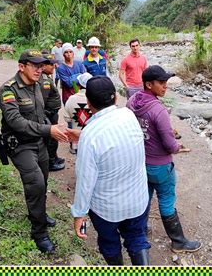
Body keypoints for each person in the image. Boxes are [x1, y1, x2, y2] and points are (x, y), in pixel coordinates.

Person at [69, 76, 151, 265]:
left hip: (107, 209)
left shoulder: (90, 135)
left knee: (109, 243)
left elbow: (85, 181)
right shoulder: (129, 116)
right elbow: (115, 140)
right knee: (137, 239)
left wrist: (79, 214)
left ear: (88, 103)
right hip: (137, 201)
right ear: (115, 98)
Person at [0, 49, 69, 254]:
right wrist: (48, 130)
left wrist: (56, 127)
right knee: (35, 183)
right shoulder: (9, 89)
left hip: (39, 143)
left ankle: (39, 213)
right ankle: (39, 233)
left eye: (42, 65)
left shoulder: (39, 84)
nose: (40, 69)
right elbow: (16, 122)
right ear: (22, 67)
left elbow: (42, 113)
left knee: (43, 181)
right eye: (35, 65)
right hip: (20, 145)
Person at [126, 65, 201, 253]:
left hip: (140, 163)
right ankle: (178, 242)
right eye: (161, 83)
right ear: (149, 84)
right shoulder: (158, 109)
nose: (165, 86)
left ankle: (141, 231)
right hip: (160, 166)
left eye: (166, 82)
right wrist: (178, 147)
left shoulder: (133, 101)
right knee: (166, 200)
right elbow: (169, 145)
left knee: (145, 198)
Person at [40, 52, 65, 171]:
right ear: (43, 66)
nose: (53, 66)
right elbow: (42, 101)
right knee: (52, 138)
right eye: (51, 64)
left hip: (52, 113)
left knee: (54, 138)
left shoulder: (47, 77)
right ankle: (50, 162)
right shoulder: (44, 80)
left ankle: (54, 157)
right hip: (49, 114)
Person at [63, 72, 92, 155]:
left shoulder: (71, 99)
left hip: (76, 139)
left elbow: (66, 118)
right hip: (91, 139)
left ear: (78, 85)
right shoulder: (95, 99)